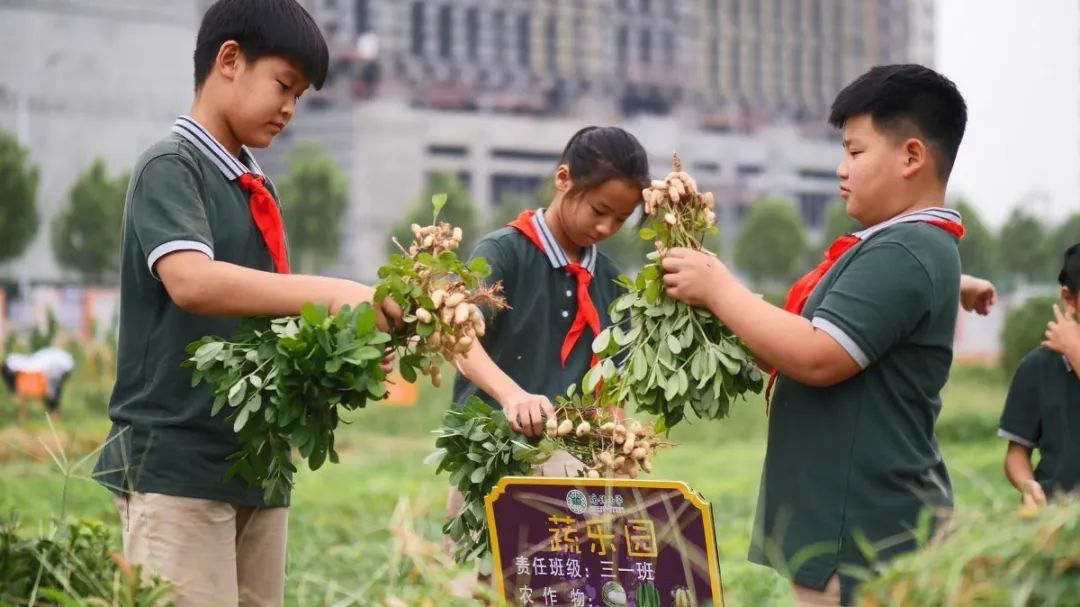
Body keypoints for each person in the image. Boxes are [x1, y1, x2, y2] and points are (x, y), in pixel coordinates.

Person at [91, 2, 398, 604]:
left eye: (301, 95)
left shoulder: (255, 187)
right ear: (229, 60)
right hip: (176, 467)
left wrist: (345, 356)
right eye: (284, 86)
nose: (290, 108)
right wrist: (337, 292)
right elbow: (194, 283)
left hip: (257, 467)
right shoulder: (172, 167)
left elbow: (265, 319)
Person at [661, 64, 968, 606]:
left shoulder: (904, 249)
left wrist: (719, 289)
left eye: (855, 151)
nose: (841, 169)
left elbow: (818, 353)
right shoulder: (897, 246)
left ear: (912, 156)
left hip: (862, 534)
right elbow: (799, 336)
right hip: (849, 522)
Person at [445, 125, 649, 545]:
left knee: (564, 583)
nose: (607, 226)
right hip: (492, 455)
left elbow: (610, 386)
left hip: (575, 466)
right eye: (599, 210)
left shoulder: (610, 281)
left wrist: (619, 451)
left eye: (621, 218)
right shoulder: (503, 252)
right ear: (563, 179)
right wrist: (511, 396)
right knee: (478, 587)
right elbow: (458, 338)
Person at [999, 243, 1080, 507]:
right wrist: (1027, 484)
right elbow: (1017, 453)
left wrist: (1075, 351)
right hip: (1056, 521)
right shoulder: (1038, 366)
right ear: (1069, 298)